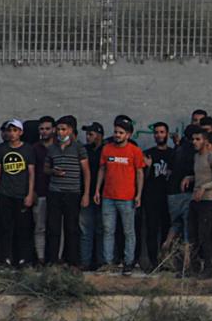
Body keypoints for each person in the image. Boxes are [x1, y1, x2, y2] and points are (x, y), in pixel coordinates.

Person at [97, 115, 147, 275]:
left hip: (127, 198)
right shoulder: (107, 149)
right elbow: (102, 169)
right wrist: (97, 190)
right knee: (108, 230)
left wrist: (139, 194)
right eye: (116, 132)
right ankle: (108, 262)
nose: (117, 135)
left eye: (121, 132)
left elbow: (140, 173)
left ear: (128, 135)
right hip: (108, 196)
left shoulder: (135, 151)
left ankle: (128, 262)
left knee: (128, 231)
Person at [42, 116, 90, 269]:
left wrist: (86, 193)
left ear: (70, 130)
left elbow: (86, 171)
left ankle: (72, 261)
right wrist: (53, 172)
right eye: (58, 129)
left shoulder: (78, 148)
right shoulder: (52, 148)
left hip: (72, 192)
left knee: (72, 228)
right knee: (53, 227)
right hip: (55, 191)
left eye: (64, 129)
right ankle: (53, 260)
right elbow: (45, 169)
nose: (60, 132)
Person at [0, 119, 36, 268]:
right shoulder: (2, 150)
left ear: (21, 132)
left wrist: (29, 193)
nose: (12, 134)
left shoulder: (28, 150)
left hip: (21, 194)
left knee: (22, 228)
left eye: (15, 131)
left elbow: (31, 173)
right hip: (4, 193)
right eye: (10, 130)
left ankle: (23, 258)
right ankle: (5, 257)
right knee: (5, 227)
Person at [185, 128, 212, 274]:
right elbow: (201, 175)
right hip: (195, 200)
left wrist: (205, 187)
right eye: (193, 139)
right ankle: (194, 267)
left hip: (208, 201)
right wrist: (190, 178)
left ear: (205, 141)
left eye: (198, 139)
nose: (194, 142)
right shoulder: (196, 157)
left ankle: (210, 267)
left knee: (206, 235)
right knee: (193, 235)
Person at [140, 122, 179, 271]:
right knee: (151, 230)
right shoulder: (148, 153)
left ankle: (165, 262)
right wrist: (148, 167)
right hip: (151, 197)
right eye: (156, 132)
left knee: (167, 230)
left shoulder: (173, 153)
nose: (159, 135)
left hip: (168, 197)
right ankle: (152, 262)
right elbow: (142, 177)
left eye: (162, 132)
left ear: (167, 134)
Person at [78, 122, 106, 269]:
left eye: (91, 134)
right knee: (85, 229)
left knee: (102, 229)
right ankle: (85, 261)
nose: (87, 137)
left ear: (99, 135)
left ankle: (101, 261)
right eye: (87, 134)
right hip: (86, 194)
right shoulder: (84, 150)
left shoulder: (106, 150)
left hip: (104, 195)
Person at [31, 117, 57, 265]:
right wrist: (32, 190)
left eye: (47, 128)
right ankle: (40, 258)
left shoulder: (60, 147)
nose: (44, 131)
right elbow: (31, 172)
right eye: (42, 129)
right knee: (39, 227)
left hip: (56, 193)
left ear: (53, 129)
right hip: (39, 192)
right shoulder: (34, 148)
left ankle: (55, 259)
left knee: (55, 228)